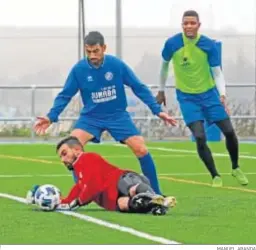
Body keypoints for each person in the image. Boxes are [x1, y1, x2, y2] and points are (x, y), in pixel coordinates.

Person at [34, 31, 177, 195]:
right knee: (72, 148)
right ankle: (83, 192)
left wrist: (158, 111)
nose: (92, 55)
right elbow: (65, 95)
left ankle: (156, 194)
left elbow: (138, 87)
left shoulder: (116, 65)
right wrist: (51, 116)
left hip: (117, 116)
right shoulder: (79, 70)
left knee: (141, 149)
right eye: (88, 52)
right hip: (91, 117)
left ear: (104, 48)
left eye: (96, 51)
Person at [156, 10, 248, 187]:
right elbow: (164, 67)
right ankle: (215, 175)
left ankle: (235, 167)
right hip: (187, 98)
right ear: (182, 25)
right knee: (199, 136)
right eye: (185, 23)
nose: (189, 26)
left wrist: (222, 95)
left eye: (192, 23)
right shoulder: (172, 44)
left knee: (229, 131)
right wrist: (161, 90)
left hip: (210, 95)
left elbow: (217, 72)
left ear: (199, 25)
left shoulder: (208, 45)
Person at [30, 136, 176, 215]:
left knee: (131, 189)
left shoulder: (87, 158)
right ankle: (154, 205)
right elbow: (71, 197)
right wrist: (40, 196)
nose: (63, 160)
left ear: (77, 150)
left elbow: (94, 185)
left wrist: (78, 202)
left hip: (122, 179)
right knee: (125, 204)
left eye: (64, 154)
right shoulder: (79, 174)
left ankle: (153, 196)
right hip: (113, 198)